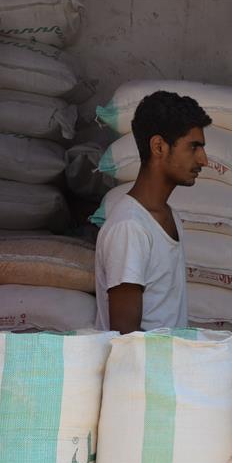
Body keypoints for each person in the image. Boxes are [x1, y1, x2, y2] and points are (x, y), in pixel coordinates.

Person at [95, 91, 210, 333]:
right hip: (142, 360)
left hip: (168, 357)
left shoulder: (169, 216)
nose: (204, 160)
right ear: (159, 147)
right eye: (194, 147)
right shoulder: (130, 227)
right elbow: (125, 336)